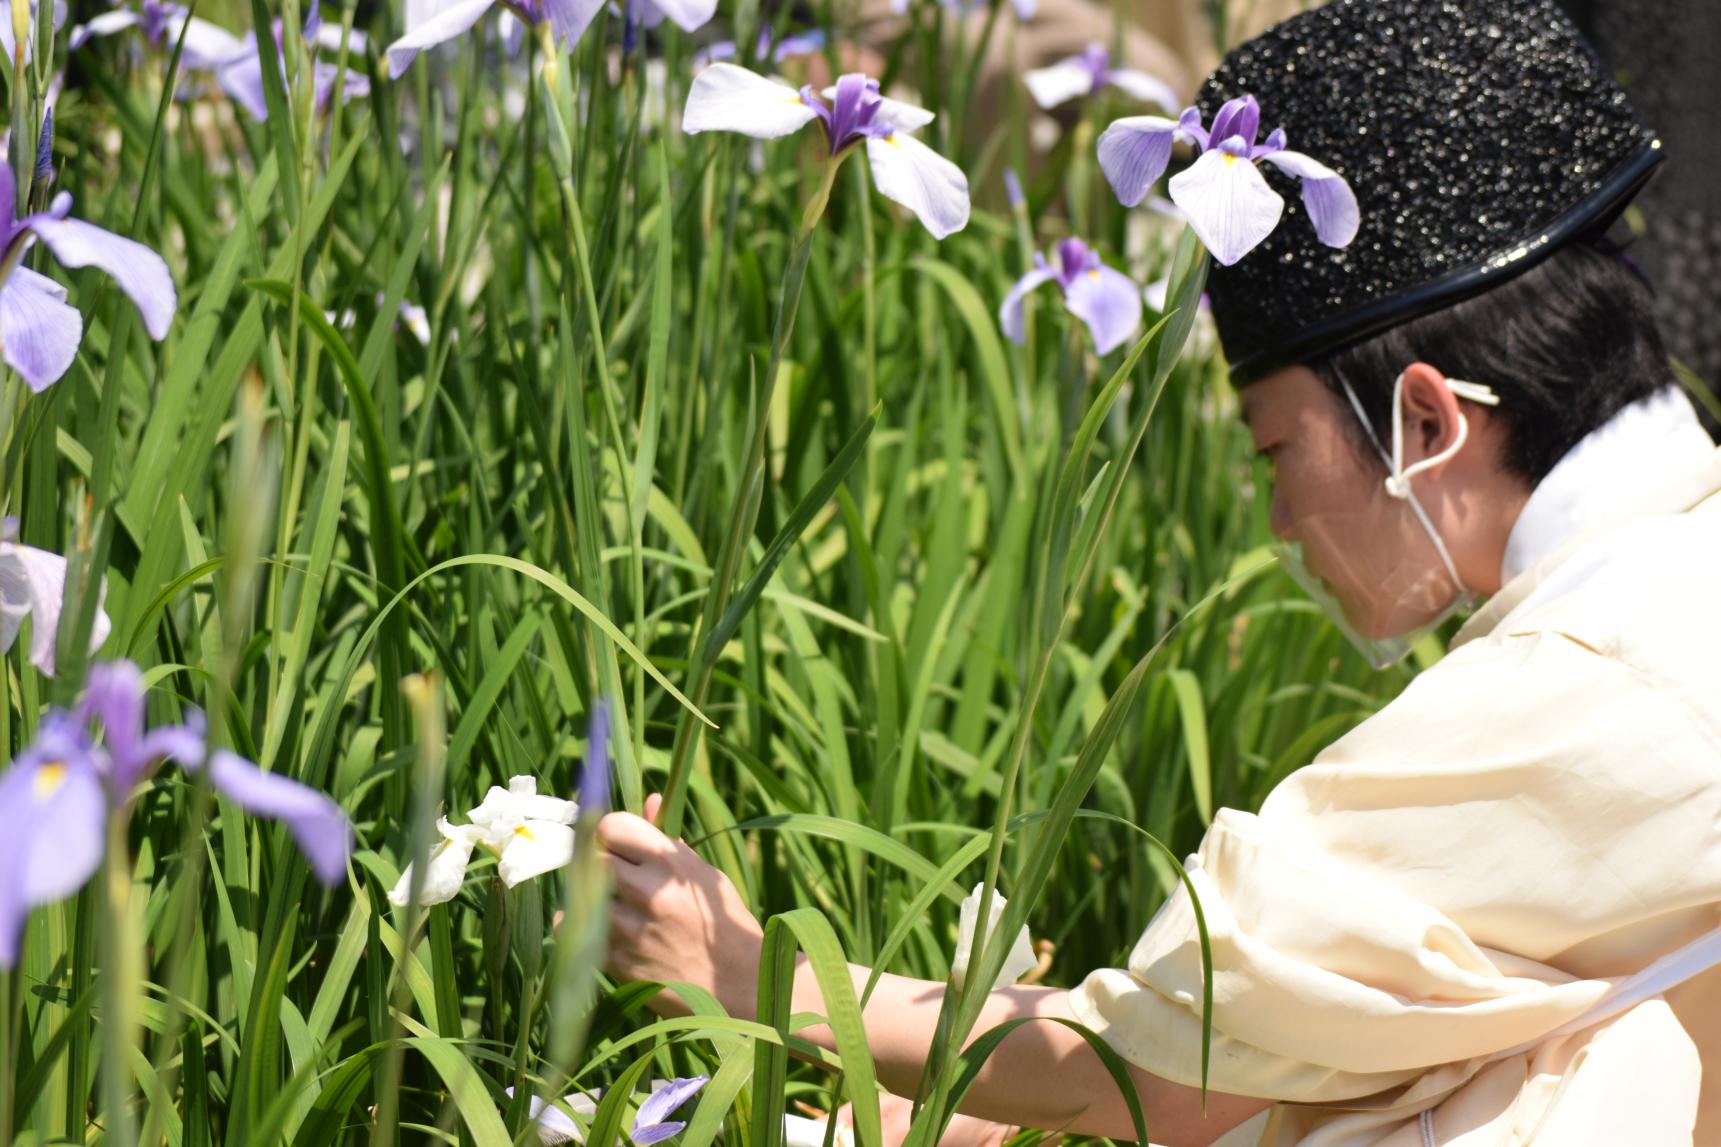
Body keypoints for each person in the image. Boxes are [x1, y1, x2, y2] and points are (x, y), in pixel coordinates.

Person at [598, 0, 1721, 1143]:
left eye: (1275, 451)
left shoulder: (1580, 681)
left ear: (1423, 420)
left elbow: (1176, 1063)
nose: (1280, 522)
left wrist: (748, 972)